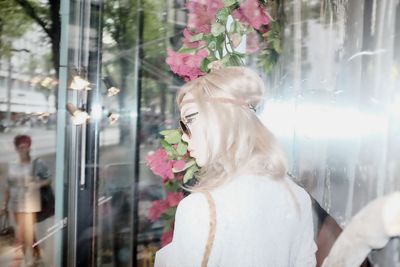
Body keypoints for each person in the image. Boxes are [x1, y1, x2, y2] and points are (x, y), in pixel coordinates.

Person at [155, 67, 317, 266]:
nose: (183, 135)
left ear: (221, 118)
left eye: (189, 120)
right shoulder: (297, 197)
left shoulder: (200, 208)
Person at [2, 135, 51, 266]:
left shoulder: (37, 163)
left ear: (29, 146)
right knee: (25, 232)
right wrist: (4, 205)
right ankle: (35, 255)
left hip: (30, 204)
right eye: (19, 146)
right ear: (16, 148)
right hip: (16, 204)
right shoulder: (12, 164)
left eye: (24, 146)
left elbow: (48, 179)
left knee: (24, 233)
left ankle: (25, 259)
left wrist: (37, 184)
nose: (21, 148)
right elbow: (8, 186)